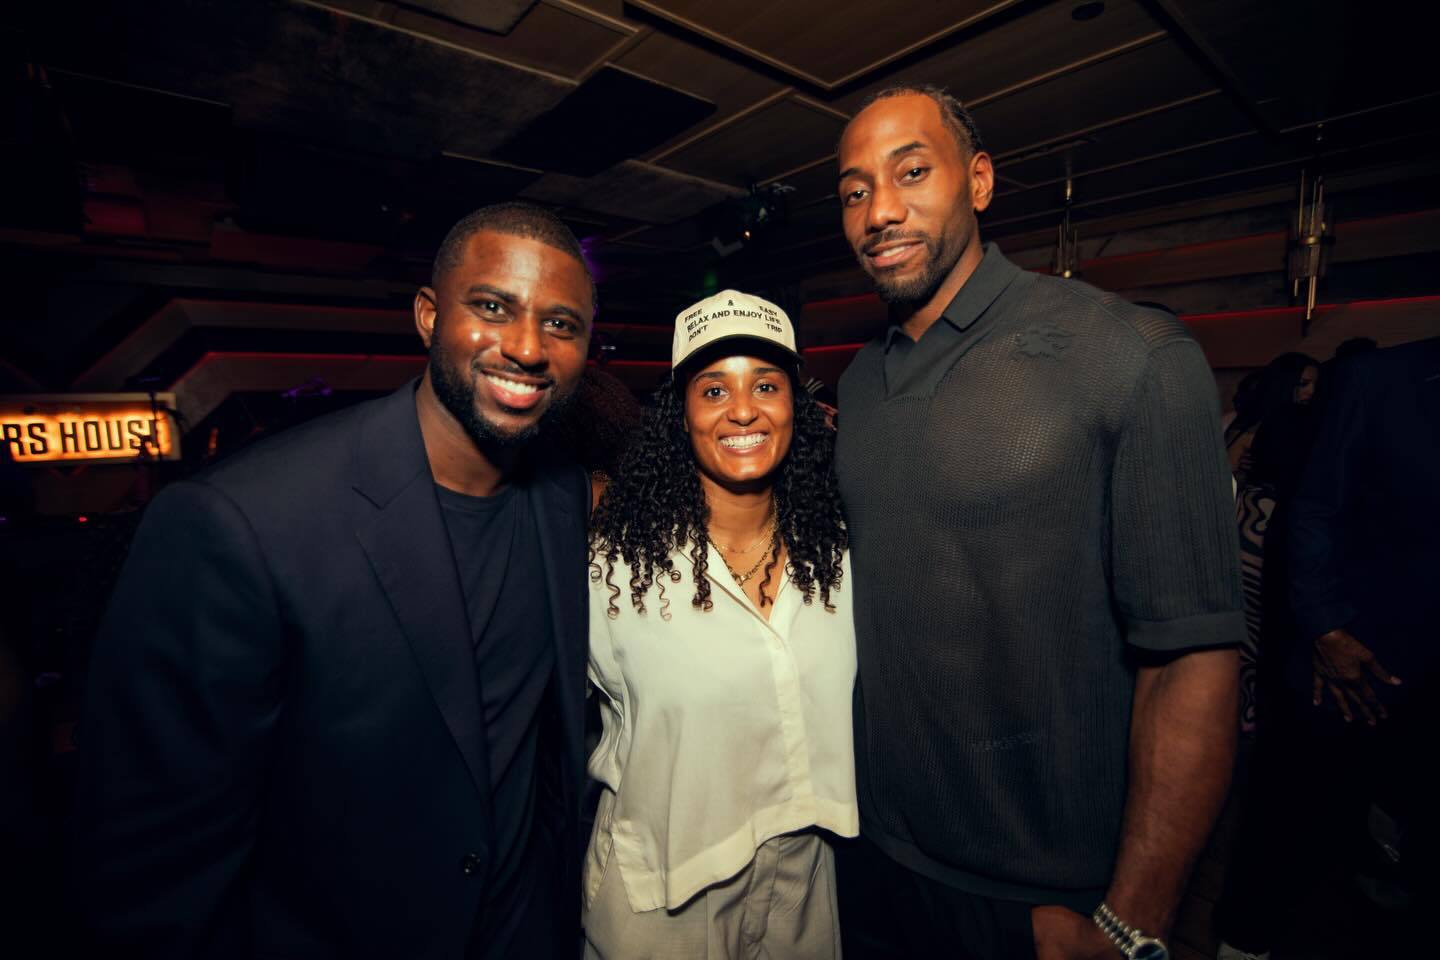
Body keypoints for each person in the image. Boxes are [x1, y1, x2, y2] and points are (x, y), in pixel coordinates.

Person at [72, 202, 596, 959]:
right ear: (429, 316)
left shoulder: (561, 496)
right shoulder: (241, 522)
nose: (525, 347)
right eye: (492, 307)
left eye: (561, 324)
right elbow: (150, 872)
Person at [832, 84, 1244, 959]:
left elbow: (1192, 659)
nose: (881, 210)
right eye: (855, 190)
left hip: (1045, 895)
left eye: (912, 172)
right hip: (875, 861)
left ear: (979, 181)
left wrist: (1130, 923)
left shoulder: (1129, 354)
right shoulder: (859, 384)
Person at [583, 290, 856, 958]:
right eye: (713, 390)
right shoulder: (613, 568)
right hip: (665, 887)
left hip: (805, 877)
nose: (742, 409)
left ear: (795, 406)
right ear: (681, 415)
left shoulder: (839, 553)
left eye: (766, 385)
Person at [1213, 336, 1440, 959]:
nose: (1309, 391)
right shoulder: (1382, 380)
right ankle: (1246, 938)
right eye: (1304, 382)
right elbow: (1311, 512)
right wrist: (1325, 628)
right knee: (1293, 810)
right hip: (1353, 653)